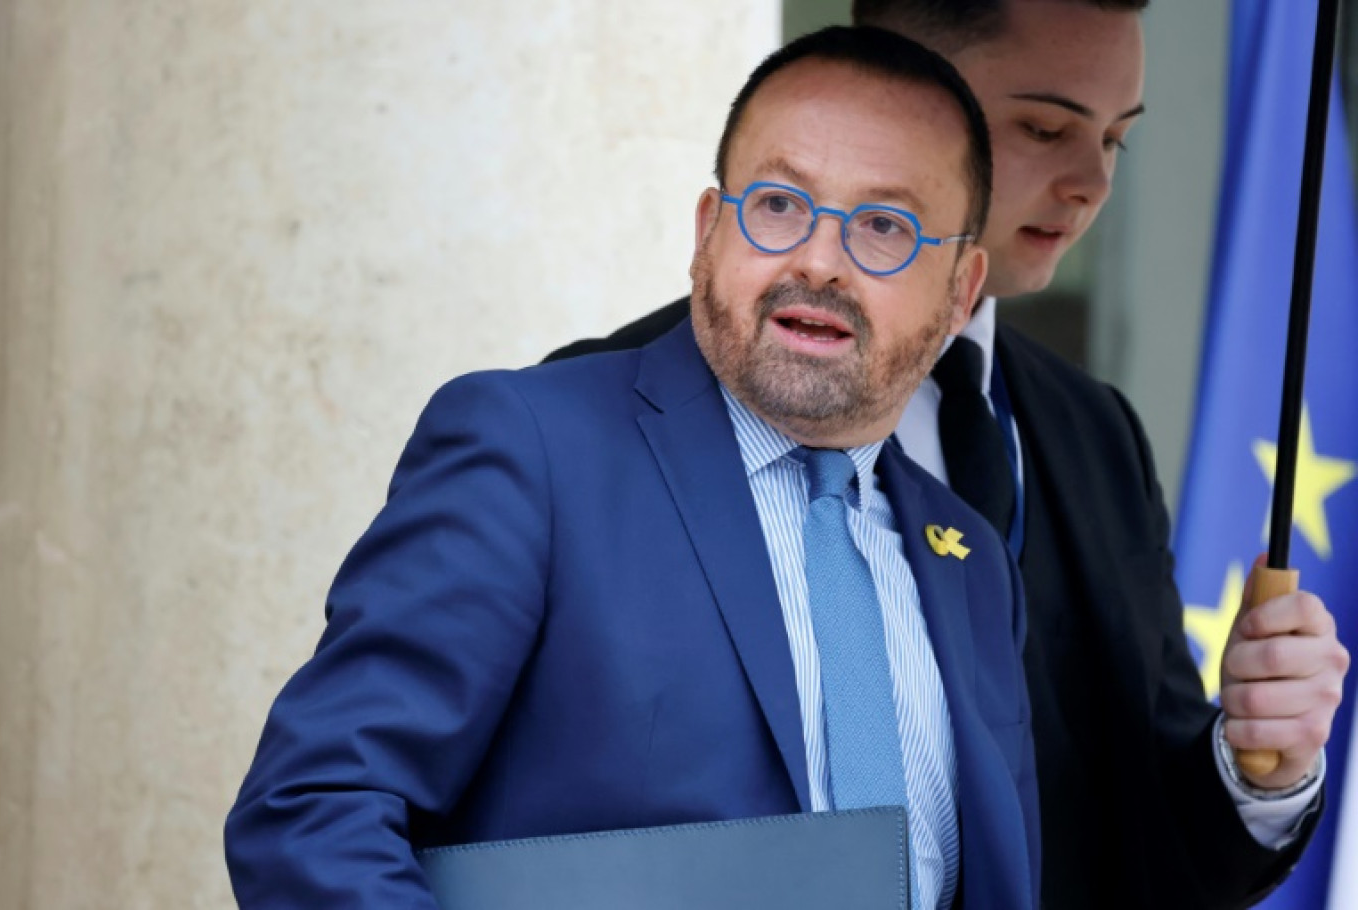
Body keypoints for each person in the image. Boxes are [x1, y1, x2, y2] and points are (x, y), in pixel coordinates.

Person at [545, 2, 1351, 909]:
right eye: (1044, 128)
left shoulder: (1097, 435)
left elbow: (1143, 841)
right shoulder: (583, 427)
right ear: (905, 101)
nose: (1092, 181)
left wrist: (1259, 763)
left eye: (1117, 140)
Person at [226, 27, 1042, 909]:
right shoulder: (532, 451)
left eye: (884, 226)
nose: (817, 259)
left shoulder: (970, 560)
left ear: (963, 290)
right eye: (777, 204)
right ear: (707, 233)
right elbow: (314, 809)